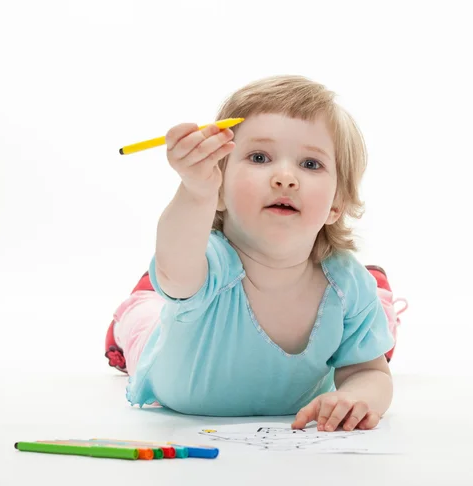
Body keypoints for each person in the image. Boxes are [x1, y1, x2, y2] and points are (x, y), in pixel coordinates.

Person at [104, 75, 408, 432]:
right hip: (167, 349)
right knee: (145, 314)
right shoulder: (211, 262)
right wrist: (195, 191)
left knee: (370, 319)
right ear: (219, 187)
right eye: (259, 157)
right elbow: (174, 268)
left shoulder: (346, 283)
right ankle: (141, 297)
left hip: (348, 291)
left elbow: (368, 372)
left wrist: (358, 398)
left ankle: (380, 298)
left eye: (310, 164)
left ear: (336, 206)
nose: (285, 177)